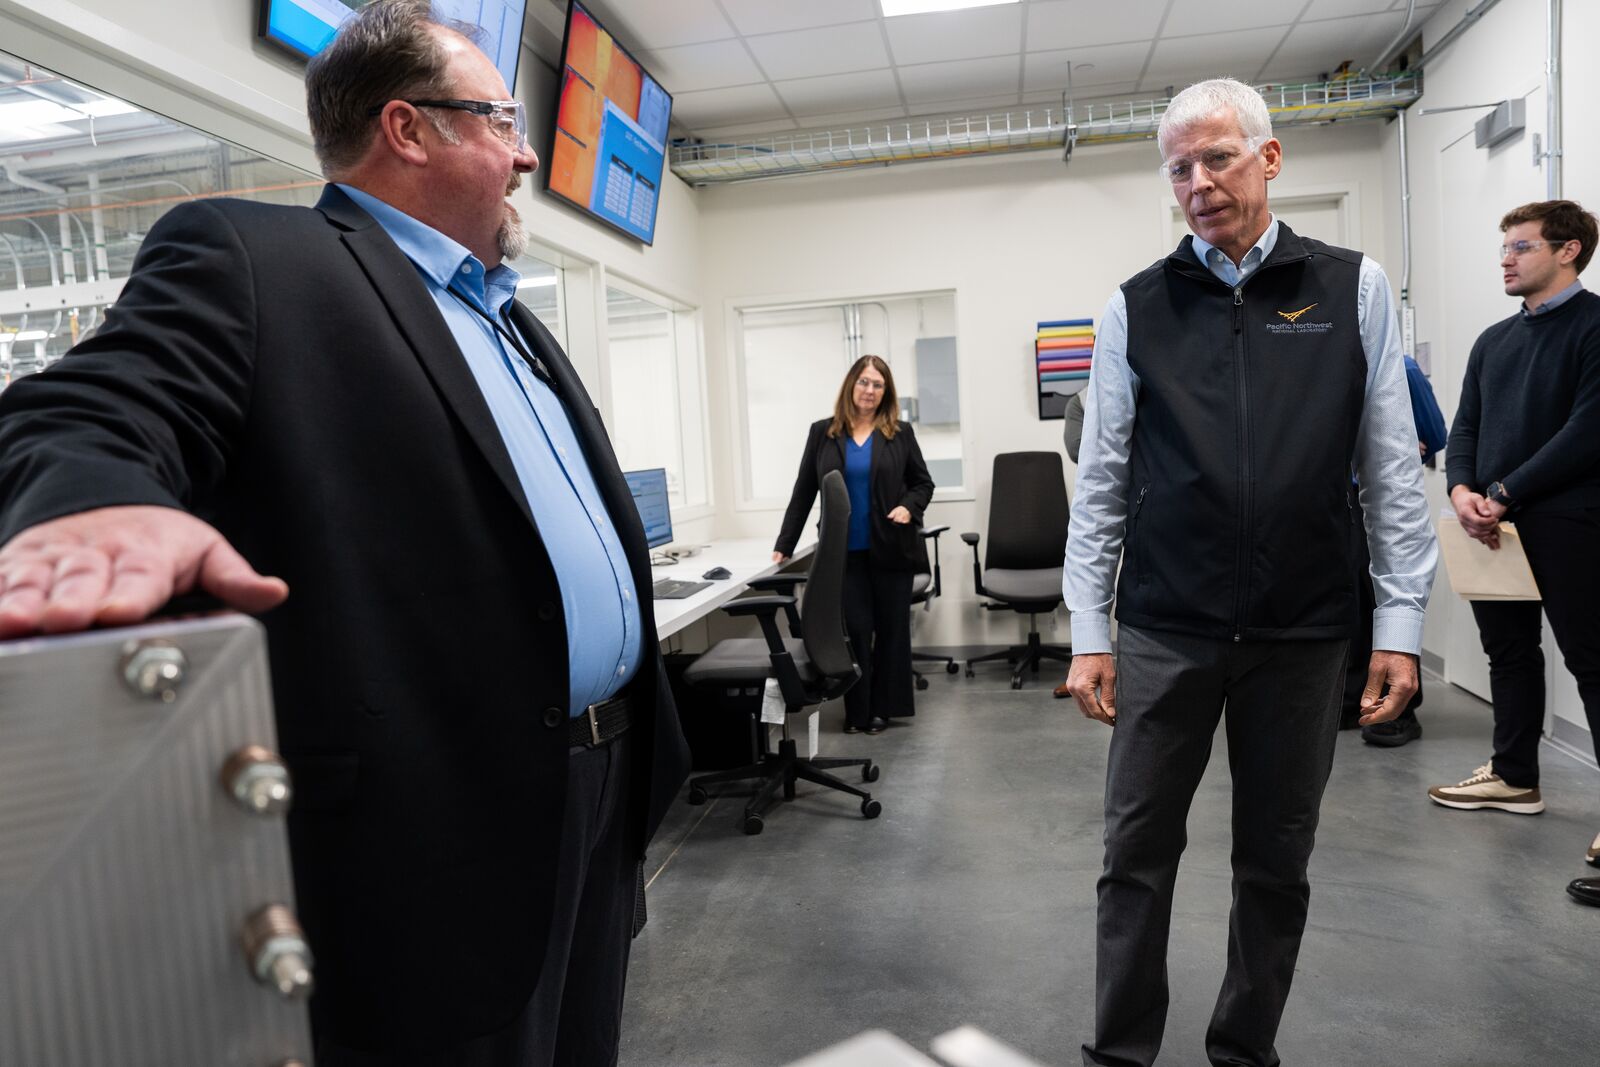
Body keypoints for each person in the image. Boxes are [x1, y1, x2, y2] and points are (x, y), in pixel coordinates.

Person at [0, 2, 690, 1062]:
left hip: (600, 779)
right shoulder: (259, 257)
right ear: (410, 129)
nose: (525, 153)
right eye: (502, 118)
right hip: (446, 814)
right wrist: (101, 499)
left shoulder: (510, 313)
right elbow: (84, 407)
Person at [1061, 77, 1437, 1067]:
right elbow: (1100, 479)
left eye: (1217, 156)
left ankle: (1243, 1048)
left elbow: (1389, 467)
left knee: (1274, 863)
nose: (1197, 181)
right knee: (1132, 858)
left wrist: (1398, 622)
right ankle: (1120, 1049)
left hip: (1302, 631)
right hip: (1162, 626)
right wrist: (1088, 629)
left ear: (1269, 159)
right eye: (1178, 166)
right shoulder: (1135, 307)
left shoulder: (1350, 287)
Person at [1426, 199, 1600, 910]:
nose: (1505, 257)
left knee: (1594, 662)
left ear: (1569, 251)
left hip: (1569, 520)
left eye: (1520, 246)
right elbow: (1464, 423)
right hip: (1491, 526)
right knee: (1510, 654)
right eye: (1503, 246)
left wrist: (1504, 489)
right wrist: (1463, 487)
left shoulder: (1594, 328)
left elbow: (1589, 430)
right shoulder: (1494, 341)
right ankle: (1514, 774)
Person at [773, 355, 934, 735]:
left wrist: (908, 508)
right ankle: (857, 709)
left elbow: (922, 483)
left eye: (878, 385)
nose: (870, 390)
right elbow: (803, 493)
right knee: (856, 632)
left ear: (885, 393)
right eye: (864, 382)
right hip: (843, 554)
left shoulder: (900, 432)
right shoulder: (823, 433)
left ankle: (883, 709)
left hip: (892, 548)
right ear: (851, 385)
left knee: (892, 632)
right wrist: (785, 543)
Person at [1344, 353, 1448, 746]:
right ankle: (1355, 701)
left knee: (1390, 597)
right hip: (1335, 498)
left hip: (1381, 496)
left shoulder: (1402, 366)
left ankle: (1401, 710)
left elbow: (1435, 435)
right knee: (1349, 597)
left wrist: (1407, 445)